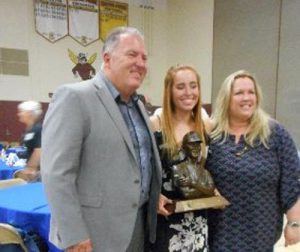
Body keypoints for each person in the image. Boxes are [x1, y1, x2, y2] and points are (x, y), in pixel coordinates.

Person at [41, 27, 162, 252]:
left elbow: (137, 166)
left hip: (137, 228)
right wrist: (74, 235)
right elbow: (56, 174)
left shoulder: (138, 106)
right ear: (107, 58)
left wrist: (153, 194)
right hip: (93, 235)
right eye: (132, 54)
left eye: (144, 57)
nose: (141, 63)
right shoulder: (74, 97)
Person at [206, 70, 300, 251]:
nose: (247, 98)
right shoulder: (211, 133)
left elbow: (291, 184)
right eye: (239, 93)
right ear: (227, 98)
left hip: (260, 236)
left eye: (251, 92)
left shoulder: (275, 134)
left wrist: (294, 223)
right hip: (216, 235)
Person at [149, 64, 212, 251]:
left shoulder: (205, 126)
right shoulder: (155, 124)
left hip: (197, 217)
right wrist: (153, 196)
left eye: (193, 86)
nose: (188, 92)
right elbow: (141, 170)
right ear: (169, 91)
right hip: (165, 215)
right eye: (180, 86)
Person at [16, 100, 43, 181]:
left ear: (29, 113)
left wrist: (31, 168)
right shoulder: (30, 129)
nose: (19, 114)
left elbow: (39, 150)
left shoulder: (37, 129)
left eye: (21, 111)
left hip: (37, 171)